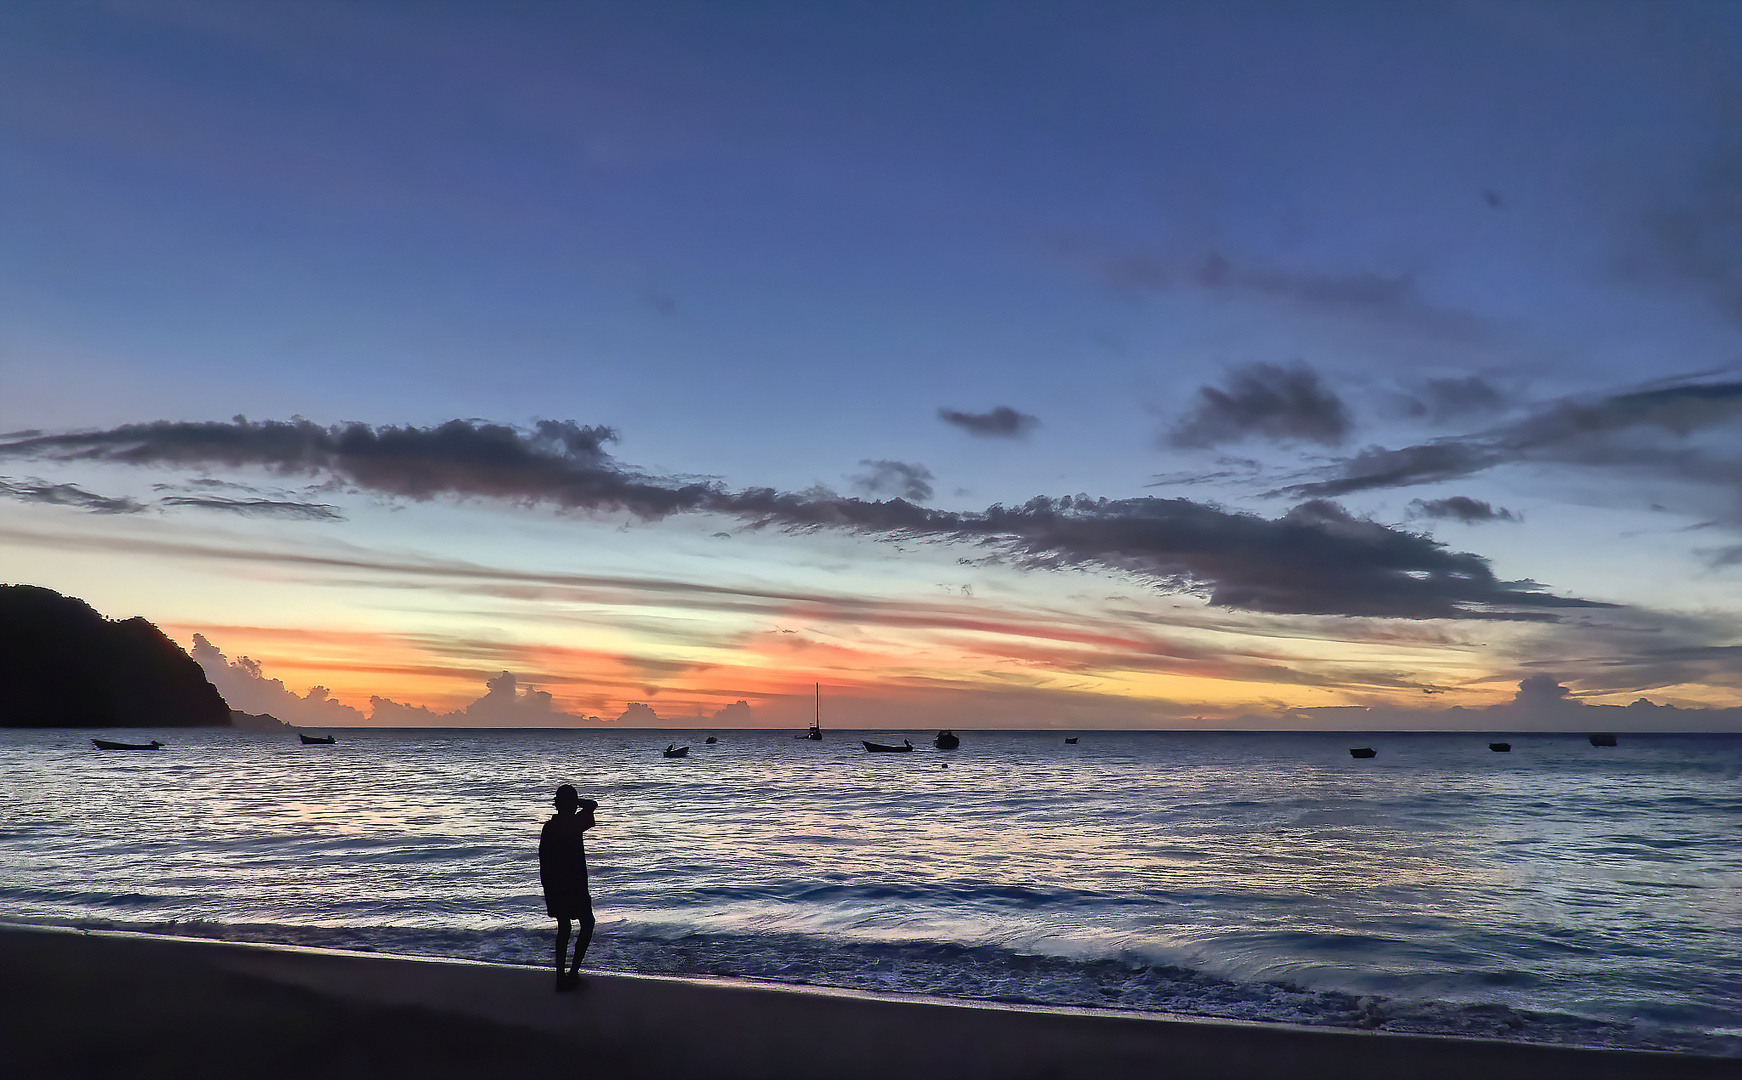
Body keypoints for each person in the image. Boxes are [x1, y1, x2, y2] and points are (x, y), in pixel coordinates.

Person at [539, 785, 597, 992]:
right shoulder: (573, 824)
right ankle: (572, 973)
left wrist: (548, 888)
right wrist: (578, 803)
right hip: (575, 885)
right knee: (587, 924)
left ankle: (561, 977)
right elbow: (593, 805)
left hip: (557, 886)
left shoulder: (551, 827)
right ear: (570, 805)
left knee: (564, 928)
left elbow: (543, 862)